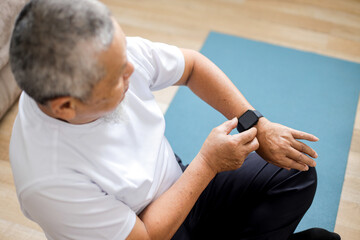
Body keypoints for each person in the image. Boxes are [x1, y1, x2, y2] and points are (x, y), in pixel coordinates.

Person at [9, 0, 341, 239]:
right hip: (148, 227)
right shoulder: (47, 181)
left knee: (293, 170)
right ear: (65, 107)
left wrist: (256, 122)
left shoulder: (109, 54)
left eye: (125, 54)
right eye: (117, 77)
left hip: (177, 180)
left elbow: (192, 67)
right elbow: (147, 236)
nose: (133, 70)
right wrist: (208, 164)